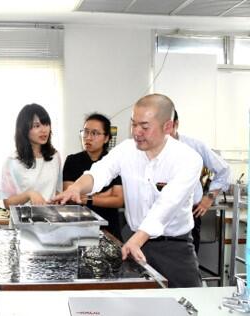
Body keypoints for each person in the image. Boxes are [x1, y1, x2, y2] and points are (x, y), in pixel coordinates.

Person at [53, 94, 203, 288]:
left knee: (187, 303)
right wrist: (76, 187)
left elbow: (167, 205)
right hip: (131, 239)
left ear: (168, 126)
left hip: (173, 247)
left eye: (144, 126)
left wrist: (137, 240)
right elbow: (100, 172)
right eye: (133, 124)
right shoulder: (126, 150)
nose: (136, 132)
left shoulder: (188, 159)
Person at [170, 110, 231, 253]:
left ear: (176, 124)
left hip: (188, 213)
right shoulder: (149, 147)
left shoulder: (194, 145)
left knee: (187, 261)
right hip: (157, 214)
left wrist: (209, 198)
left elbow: (224, 170)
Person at [63, 113, 124, 240]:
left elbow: (118, 200)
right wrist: (105, 195)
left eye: (95, 133)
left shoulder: (114, 162)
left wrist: (88, 199)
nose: (88, 138)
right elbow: (71, 198)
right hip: (79, 227)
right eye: (85, 132)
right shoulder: (72, 160)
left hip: (109, 227)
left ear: (106, 138)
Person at [0, 103, 62, 209]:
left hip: (51, 222)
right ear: (24, 129)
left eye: (46, 124)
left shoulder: (55, 156)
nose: (44, 130)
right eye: (36, 126)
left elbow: (58, 191)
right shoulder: (12, 161)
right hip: (23, 222)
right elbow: (6, 202)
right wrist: (29, 194)